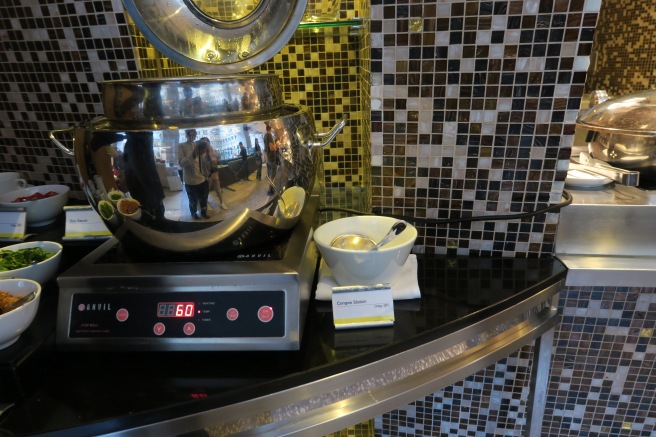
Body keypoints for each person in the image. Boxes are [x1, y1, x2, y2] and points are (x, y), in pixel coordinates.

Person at [178, 130, 211, 219]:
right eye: (191, 134)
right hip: (190, 181)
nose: (193, 137)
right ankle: (194, 214)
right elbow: (181, 164)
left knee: (204, 199)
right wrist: (193, 154)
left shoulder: (198, 144)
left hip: (203, 178)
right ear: (186, 134)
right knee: (193, 200)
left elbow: (208, 160)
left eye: (195, 135)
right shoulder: (181, 146)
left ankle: (204, 212)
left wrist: (208, 147)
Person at [208, 141, 228, 210]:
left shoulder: (213, 152)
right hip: (208, 176)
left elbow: (218, 158)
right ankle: (206, 203)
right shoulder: (204, 154)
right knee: (207, 190)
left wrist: (217, 161)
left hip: (214, 174)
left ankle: (222, 203)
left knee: (218, 190)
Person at [263, 124, 277, 195]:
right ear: (270, 129)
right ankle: (270, 190)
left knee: (270, 174)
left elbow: (266, 148)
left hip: (268, 158)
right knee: (272, 175)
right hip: (271, 158)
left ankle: (270, 188)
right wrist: (276, 144)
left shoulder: (265, 136)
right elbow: (272, 148)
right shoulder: (269, 135)